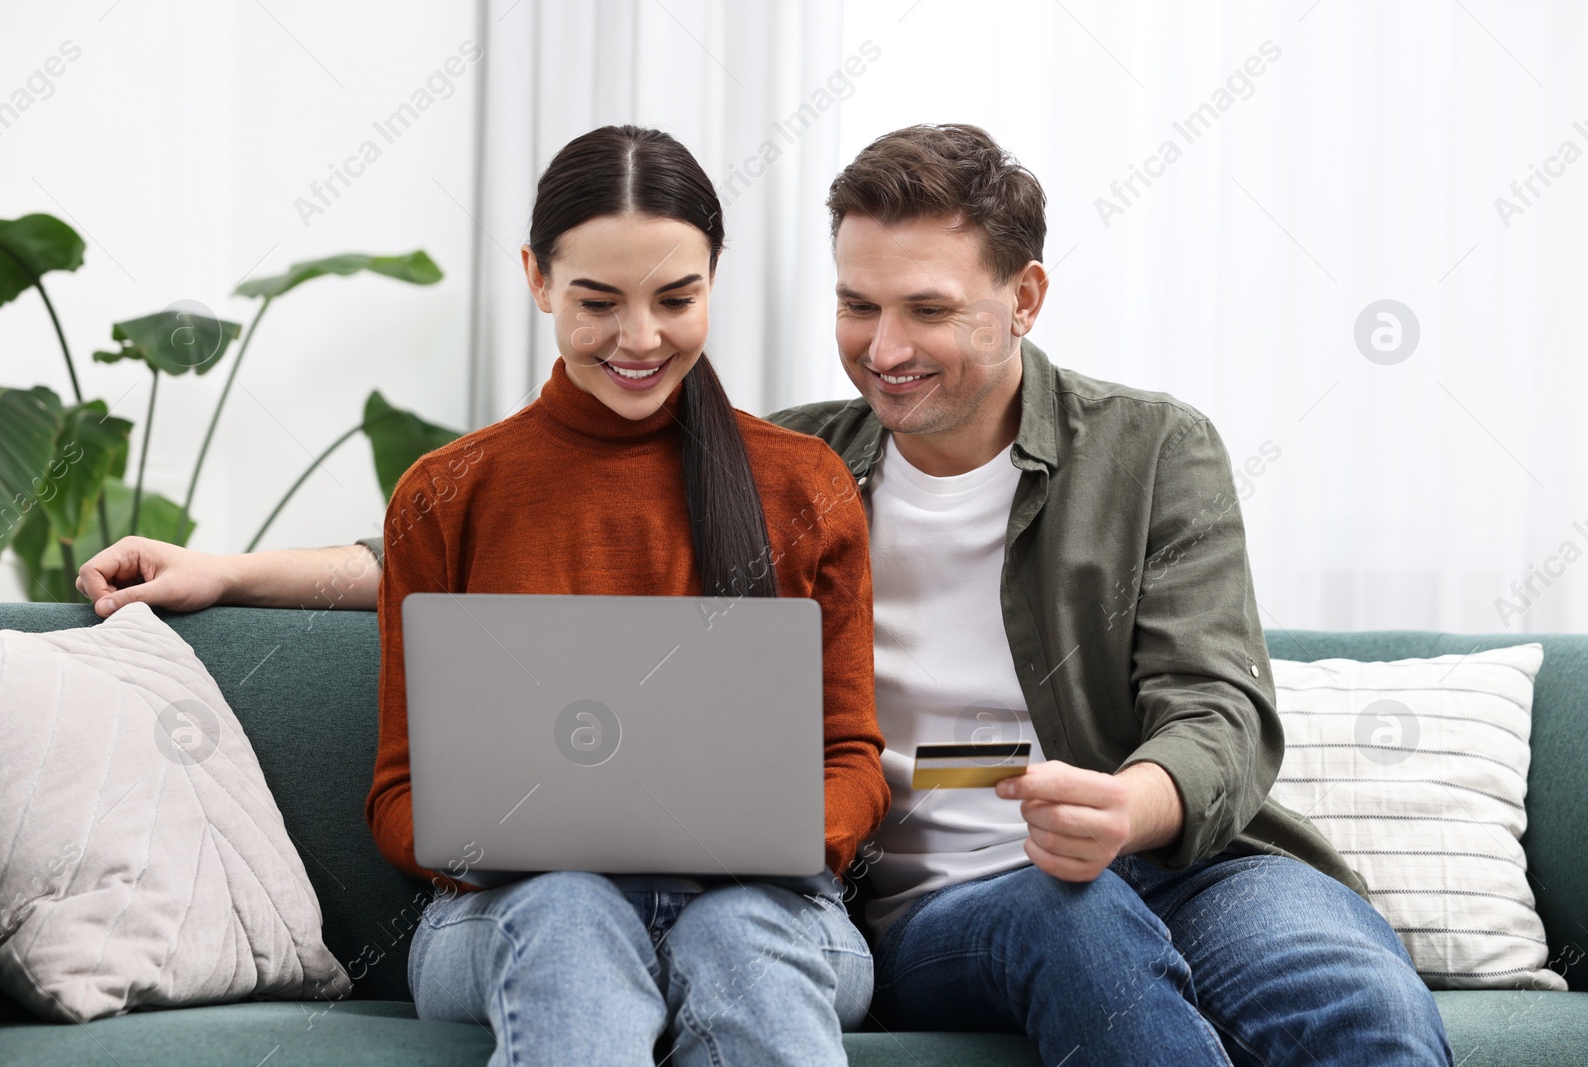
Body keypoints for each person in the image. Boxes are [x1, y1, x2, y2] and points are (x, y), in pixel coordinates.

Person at [77, 124, 1452, 1065]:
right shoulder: (793, 456)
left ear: (1024, 295)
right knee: (1064, 919)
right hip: (941, 887)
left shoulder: (1140, 451)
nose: (883, 349)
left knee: (1342, 988)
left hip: (1166, 840)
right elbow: (490, 564)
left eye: (924, 310)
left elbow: (1217, 702)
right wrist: (233, 569)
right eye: (859, 307)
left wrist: (1133, 802)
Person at [91, 124, 888, 1067]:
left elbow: (851, 758)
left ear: (715, 278)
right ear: (537, 279)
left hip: (772, 911)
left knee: (738, 938)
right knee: (571, 913)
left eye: (677, 298)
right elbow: (398, 795)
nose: (640, 338)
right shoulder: (447, 491)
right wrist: (506, 839)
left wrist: (785, 835)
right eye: (597, 301)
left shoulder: (806, 482)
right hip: (513, 913)